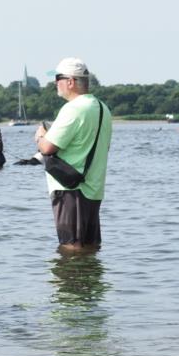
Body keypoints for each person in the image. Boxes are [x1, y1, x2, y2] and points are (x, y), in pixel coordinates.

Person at [34, 58, 113, 252]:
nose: (55, 83)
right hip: (93, 189)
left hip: (70, 189)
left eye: (58, 78)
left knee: (71, 248)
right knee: (90, 247)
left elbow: (47, 148)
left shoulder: (73, 109)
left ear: (70, 81)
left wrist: (40, 136)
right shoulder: (103, 108)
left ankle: (71, 282)